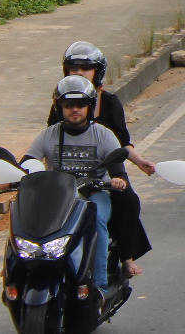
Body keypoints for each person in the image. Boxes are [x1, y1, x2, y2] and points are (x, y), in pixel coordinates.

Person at [44, 43, 152, 278]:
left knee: (127, 200)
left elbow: (122, 141)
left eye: (86, 68)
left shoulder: (109, 101)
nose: (79, 73)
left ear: (97, 72)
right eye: (74, 68)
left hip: (103, 174)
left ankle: (125, 256)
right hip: (67, 178)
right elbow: (50, 141)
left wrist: (139, 162)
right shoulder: (61, 99)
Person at [24, 76, 129, 295]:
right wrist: (19, 173)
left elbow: (118, 170)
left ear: (89, 106)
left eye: (80, 104)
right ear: (59, 107)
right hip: (56, 197)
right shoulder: (48, 135)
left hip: (93, 195)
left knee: (97, 222)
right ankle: (21, 275)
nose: (74, 109)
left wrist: (118, 180)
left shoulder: (103, 135)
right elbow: (28, 161)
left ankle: (98, 286)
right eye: (68, 105)